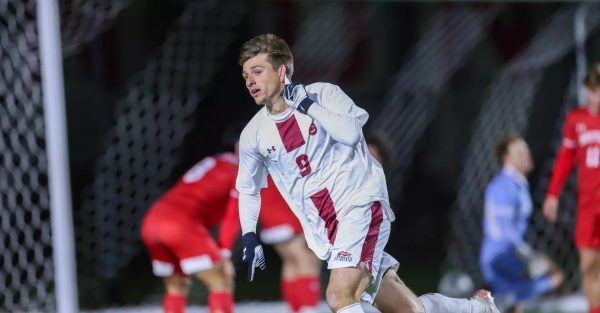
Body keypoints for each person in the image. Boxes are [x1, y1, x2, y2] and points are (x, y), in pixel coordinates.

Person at [235, 33, 500, 313]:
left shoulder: (321, 94)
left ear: (281, 71)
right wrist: (250, 235)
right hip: (327, 229)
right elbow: (249, 190)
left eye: (257, 71)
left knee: (339, 294)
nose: (250, 80)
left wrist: (307, 106)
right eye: (245, 74)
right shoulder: (253, 133)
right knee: (409, 311)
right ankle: (479, 308)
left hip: (359, 205)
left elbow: (350, 134)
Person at [140, 130, 241, 313]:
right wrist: (225, 253)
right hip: (179, 224)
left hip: (152, 221)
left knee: (176, 285)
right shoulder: (240, 171)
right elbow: (233, 215)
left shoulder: (214, 161)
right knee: (220, 280)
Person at [480, 134, 564, 313]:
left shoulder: (516, 184)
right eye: (519, 152)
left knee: (513, 306)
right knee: (553, 278)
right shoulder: (505, 185)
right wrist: (529, 257)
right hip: (501, 256)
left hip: (509, 255)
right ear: (506, 158)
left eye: (526, 150)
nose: (526, 154)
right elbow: (503, 229)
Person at [219, 176, 323, 313]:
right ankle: (307, 309)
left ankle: (297, 309)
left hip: (269, 211)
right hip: (283, 207)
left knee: (291, 260)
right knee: (307, 259)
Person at [543, 63, 600, 313]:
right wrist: (552, 194)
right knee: (588, 266)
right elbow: (565, 158)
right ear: (587, 90)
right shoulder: (575, 119)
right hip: (588, 206)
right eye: (595, 90)